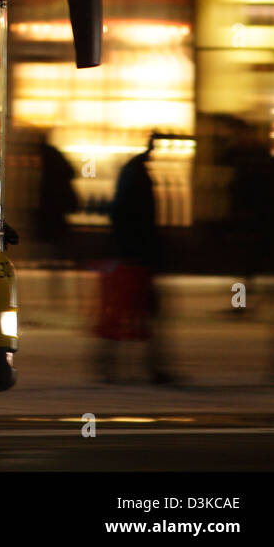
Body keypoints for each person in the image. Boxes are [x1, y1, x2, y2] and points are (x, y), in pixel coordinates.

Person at [96, 133, 175, 384]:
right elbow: (137, 219)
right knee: (139, 312)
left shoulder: (132, 173)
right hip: (136, 258)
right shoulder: (138, 176)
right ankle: (145, 368)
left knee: (128, 313)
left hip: (131, 256)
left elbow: (120, 215)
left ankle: (113, 365)